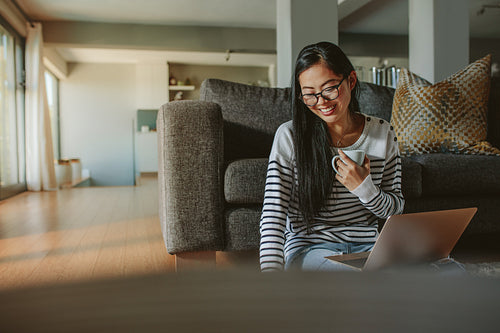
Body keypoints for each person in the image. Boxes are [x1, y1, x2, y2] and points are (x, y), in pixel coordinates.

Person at [259, 41, 405, 272]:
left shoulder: (382, 132)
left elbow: (395, 210)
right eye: (310, 95)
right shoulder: (289, 136)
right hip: (310, 248)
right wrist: (271, 279)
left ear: (351, 80)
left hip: (369, 247)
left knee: (449, 272)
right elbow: (273, 216)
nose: (322, 102)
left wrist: (364, 188)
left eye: (329, 89)